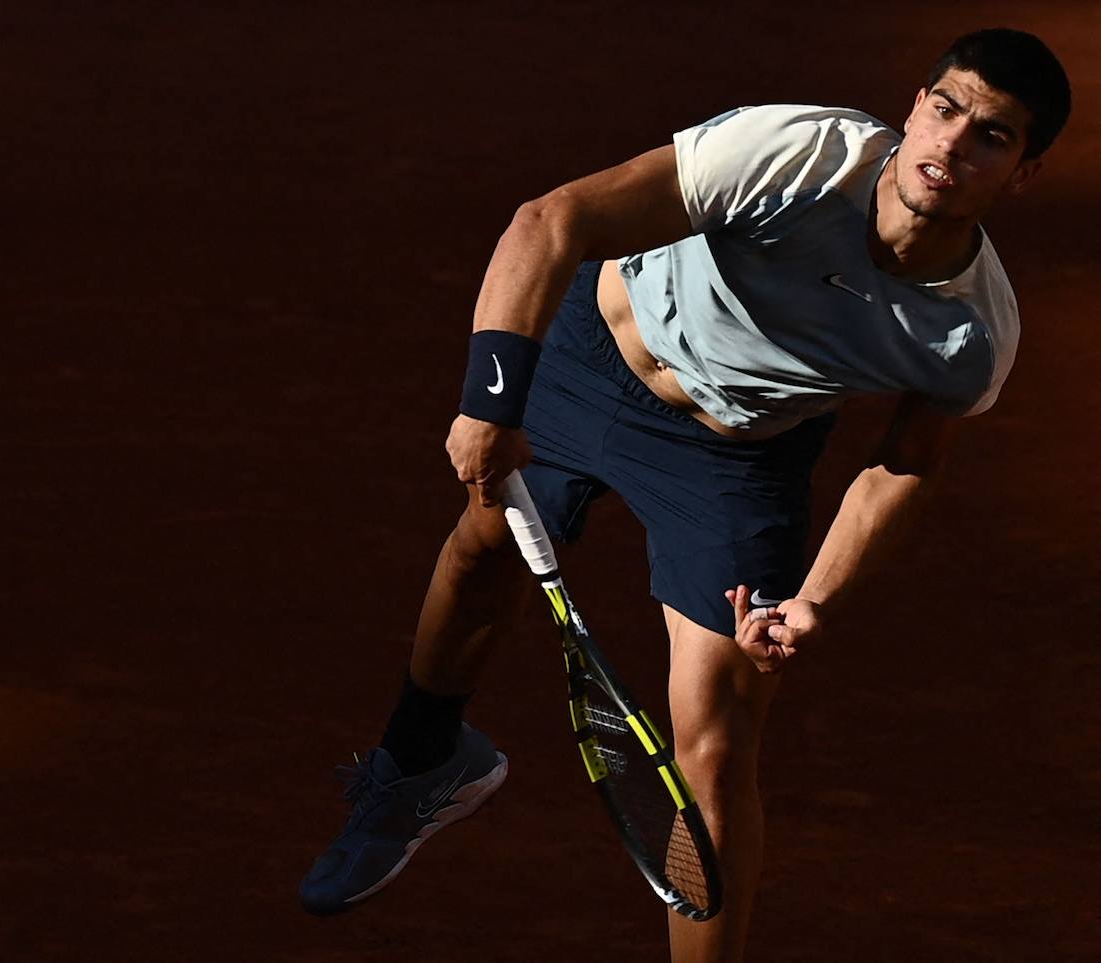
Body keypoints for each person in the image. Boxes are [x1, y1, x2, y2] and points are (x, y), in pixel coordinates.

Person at [300, 27, 1070, 962]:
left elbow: (904, 466)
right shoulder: (794, 153)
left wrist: (810, 601)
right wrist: (490, 402)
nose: (950, 145)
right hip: (594, 355)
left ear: (1023, 172)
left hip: (736, 457)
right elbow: (551, 221)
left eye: (991, 136)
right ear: (914, 106)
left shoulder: (972, 332)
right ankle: (421, 759)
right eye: (944, 110)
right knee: (482, 546)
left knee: (713, 748)